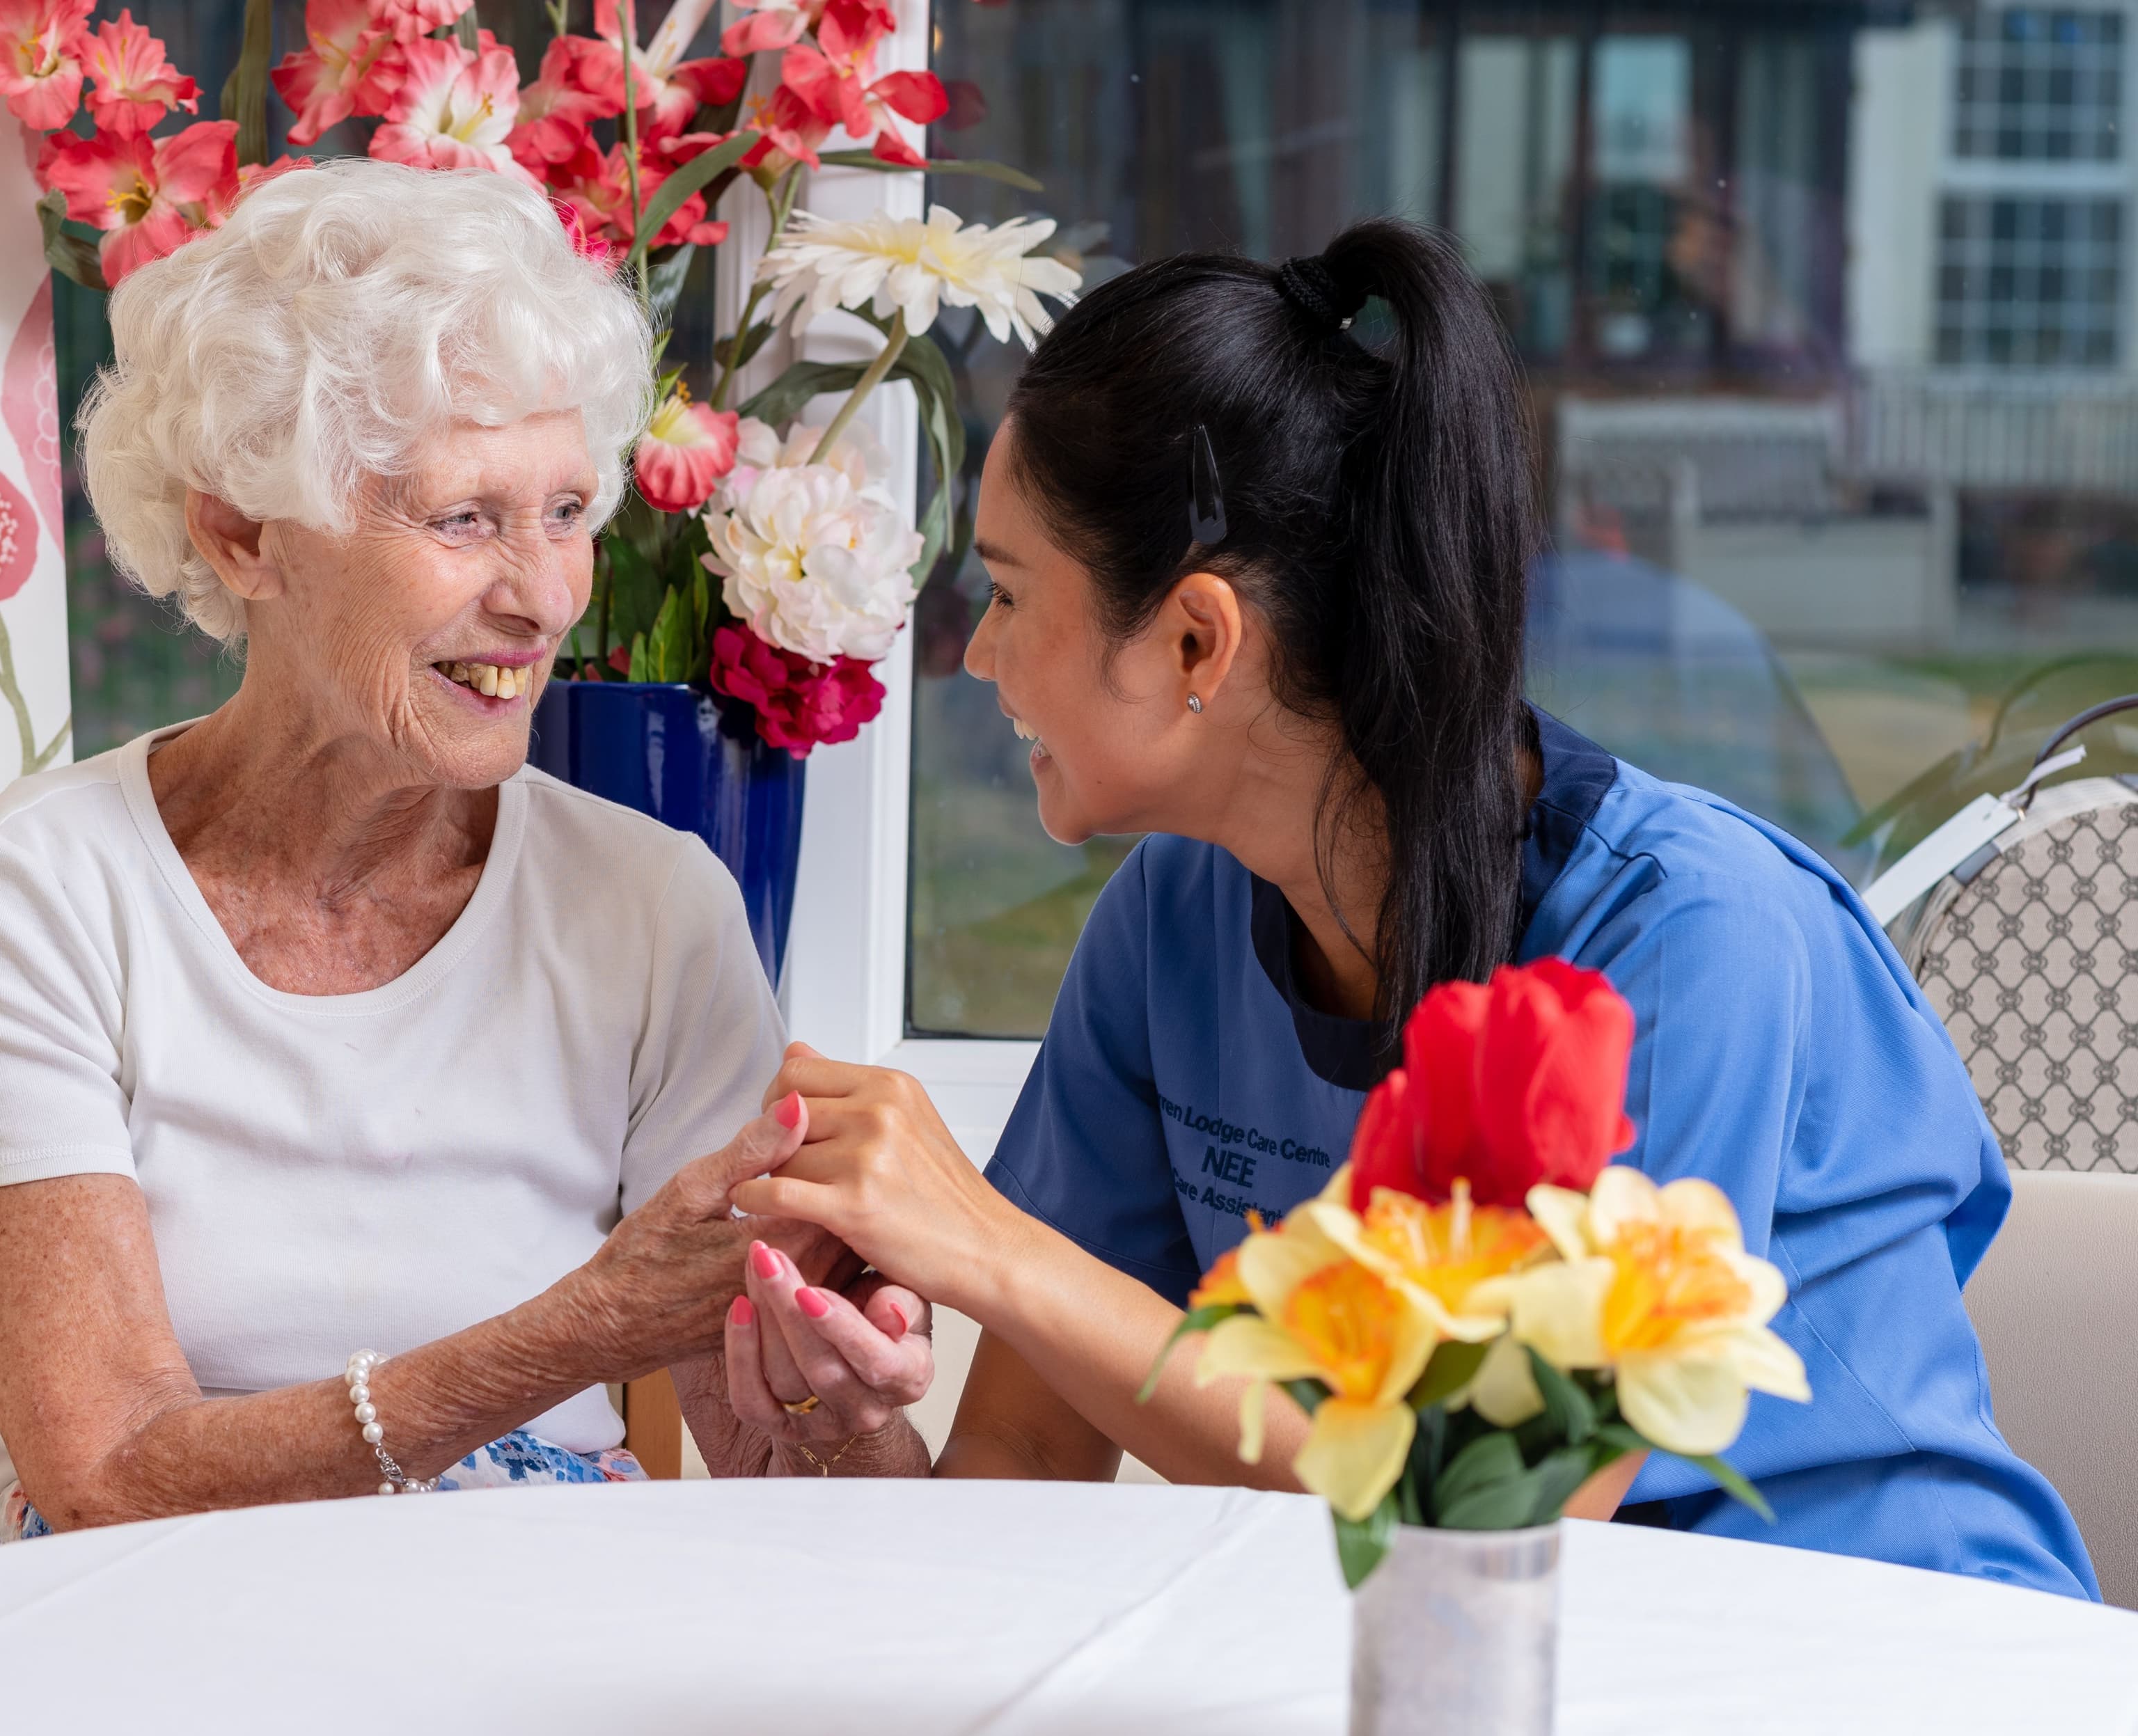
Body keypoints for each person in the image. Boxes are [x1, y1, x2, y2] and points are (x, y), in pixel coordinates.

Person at [718, 220, 2099, 1599]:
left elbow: (1502, 1512)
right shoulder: (1171, 924)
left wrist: (995, 1248)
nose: (978, 650)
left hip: (1891, 1652)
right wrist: (849, 1436)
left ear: (1198, 638)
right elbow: (1022, 1464)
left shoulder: (1690, 936)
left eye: (1012, 592)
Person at [0, 160, 929, 1545]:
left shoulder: (650, 905)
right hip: (144, 1617)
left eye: (567, 511)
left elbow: (780, 1462)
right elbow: (107, 1475)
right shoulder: (33, 895)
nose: (543, 594)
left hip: (538, 1617)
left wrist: (831, 1399)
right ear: (242, 533)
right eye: (464, 519)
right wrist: (586, 1325)